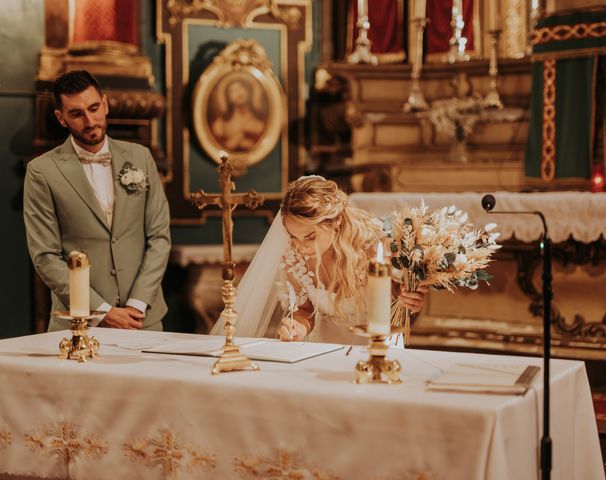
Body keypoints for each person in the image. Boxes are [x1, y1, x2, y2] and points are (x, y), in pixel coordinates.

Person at [23, 70, 171, 331]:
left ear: (105, 104)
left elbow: (159, 236)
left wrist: (137, 304)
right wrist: (102, 311)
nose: (90, 121)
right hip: (79, 323)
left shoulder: (141, 157)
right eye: (77, 114)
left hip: (143, 319)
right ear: (61, 118)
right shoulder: (41, 171)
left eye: (94, 108)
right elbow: (45, 256)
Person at [212, 176, 427, 344]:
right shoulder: (294, 258)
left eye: (310, 237)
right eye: (293, 237)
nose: (302, 247)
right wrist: (297, 327)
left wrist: (409, 301)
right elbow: (305, 310)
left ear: (336, 221)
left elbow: (403, 305)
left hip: (377, 347)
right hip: (322, 350)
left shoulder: (377, 246)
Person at [210, 78, 266, 152]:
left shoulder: (259, 121)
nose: (238, 92)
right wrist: (240, 140)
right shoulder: (220, 124)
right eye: (233, 91)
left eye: (241, 87)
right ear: (228, 97)